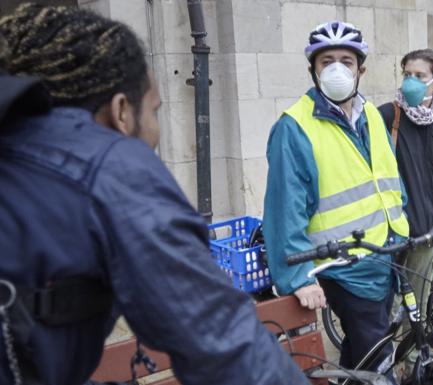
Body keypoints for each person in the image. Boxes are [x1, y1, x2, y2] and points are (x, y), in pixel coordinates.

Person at [0, 4, 309, 385]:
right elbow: (227, 347)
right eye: (156, 111)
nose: (156, 132)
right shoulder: (109, 164)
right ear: (121, 112)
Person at [263, 20, 409, 373]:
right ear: (313, 69)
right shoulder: (294, 126)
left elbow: (388, 176)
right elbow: (285, 210)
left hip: (386, 252)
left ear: (361, 69)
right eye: (326, 61)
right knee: (377, 355)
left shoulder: (371, 115)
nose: (337, 69)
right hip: (345, 267)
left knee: (367, 348)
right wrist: (298, 277)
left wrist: (404, 223)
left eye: (346, 60)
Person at [377, 48, 433, 375]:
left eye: (419, 76)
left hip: (428, 231)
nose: (411, 82)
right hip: (394, 231)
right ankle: (379, 362)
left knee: (418, 304)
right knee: (386, 303)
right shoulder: (386, 116)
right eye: (406, 74)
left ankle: (412, 364)